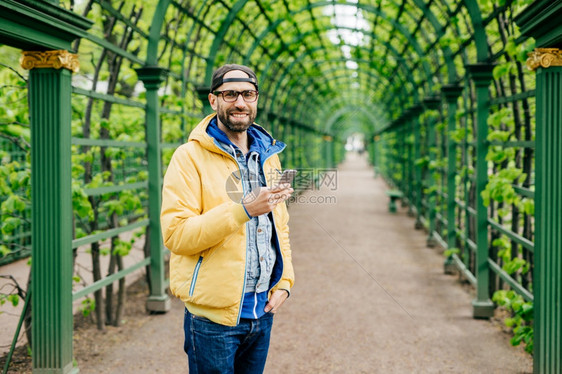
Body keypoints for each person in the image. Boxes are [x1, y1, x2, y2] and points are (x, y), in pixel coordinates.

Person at [160, 63, 295, 374]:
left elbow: (280, 227)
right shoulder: (188, 157)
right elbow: (176, 235)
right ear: (213, 100)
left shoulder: (268, 155)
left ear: (256, 99)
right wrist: (243, 210)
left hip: (262, 310)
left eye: (248, 94)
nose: (240, 103)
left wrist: (285, 280)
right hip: (212, 319)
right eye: (230, 94)